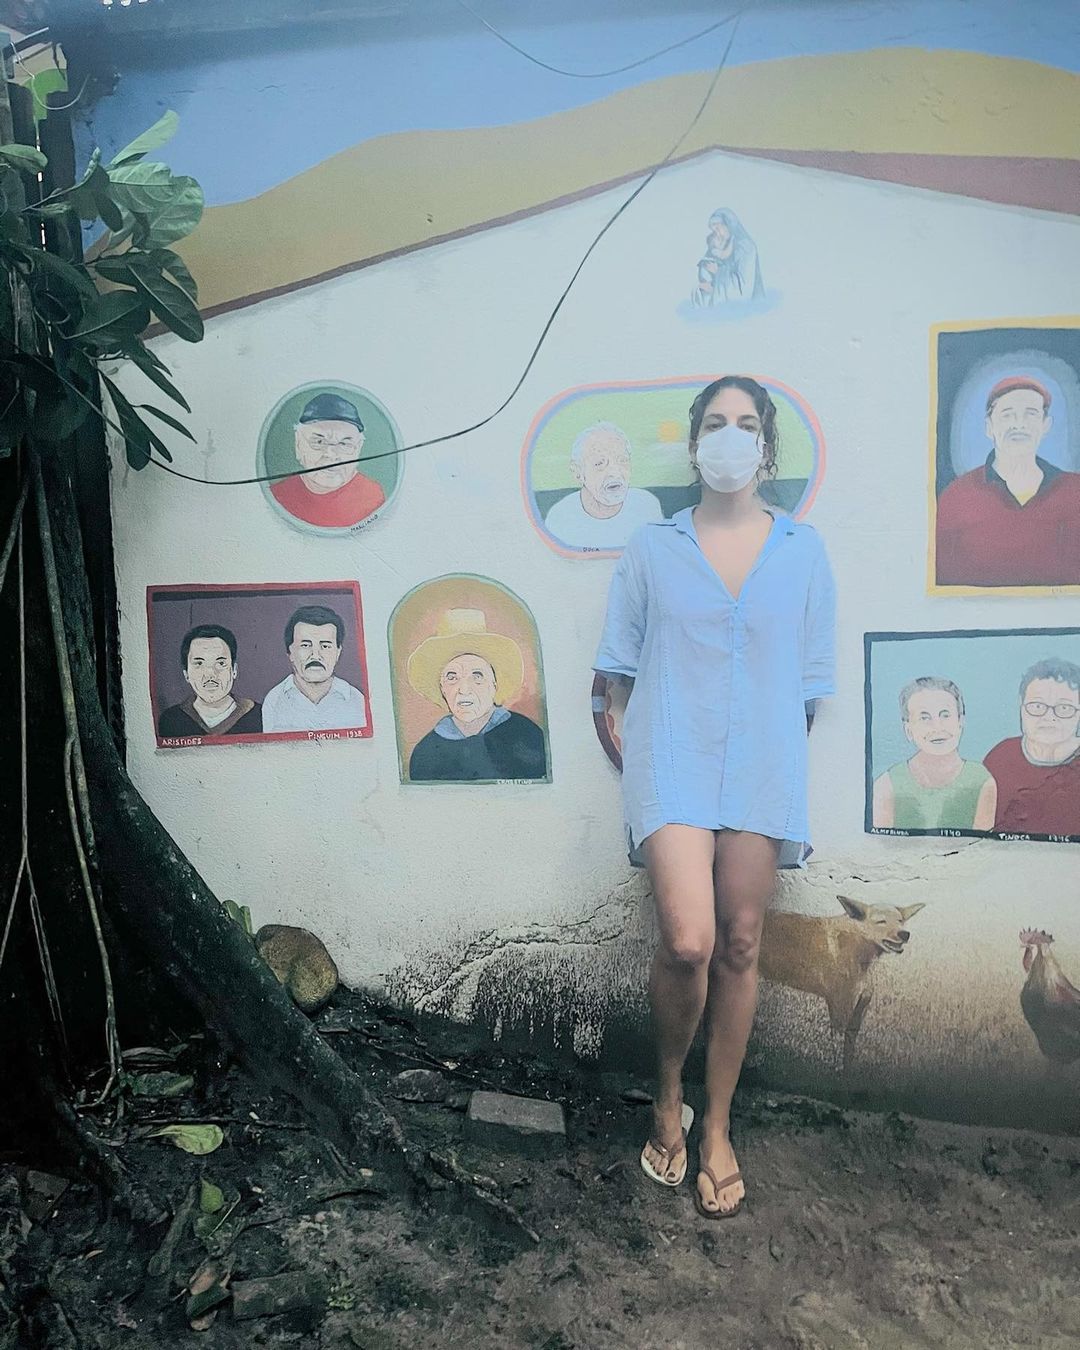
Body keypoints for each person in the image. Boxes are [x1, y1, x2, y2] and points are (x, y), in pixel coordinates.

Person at [595, 374, 835, 1219]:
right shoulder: (652, 547)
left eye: (745, 423)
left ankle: (718, 1126)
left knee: (739, 942)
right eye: (715, 422)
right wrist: (633, 746)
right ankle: (668, 1095)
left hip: (763, 763)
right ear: (695, 443)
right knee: (689, 939)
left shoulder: (804, 550)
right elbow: (616, 674)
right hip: (671, 760)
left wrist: (771, 754)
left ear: (765, 447)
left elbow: (808, 686)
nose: (729, 435)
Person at [936, 376, 1080, 586]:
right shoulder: (956, 497)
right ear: (989, 427)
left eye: (1030, 414)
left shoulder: (1075, 493)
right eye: (1007, 414)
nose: (1019, 424)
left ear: (1046, 425)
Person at [406, 608, 548, 782]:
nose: (464, 689)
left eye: (477, 676)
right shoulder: (425, 754)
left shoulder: (527, 736)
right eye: (452, 677)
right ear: (442, 688)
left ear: (494, 684)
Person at [872, 676, 996, 831]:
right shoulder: (887, 785)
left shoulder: (981, 781)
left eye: (945, 715)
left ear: (960, 721)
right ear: (908, 730)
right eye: (924, 718)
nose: (937, 727)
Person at [984, 658, 1080, 837]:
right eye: (1037, 706)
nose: (1049, 717)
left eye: (1064, 708)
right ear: (1021, 706)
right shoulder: (1000, 758)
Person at [269, 392, 386, 529]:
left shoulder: (372, 497)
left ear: (358, 449)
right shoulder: (278, 495)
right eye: (319, 441)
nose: (331, 454)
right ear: (298, 444)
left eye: (344, 444)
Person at [543, 423, 663, 548]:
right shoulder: (560, 518)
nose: (615, 473)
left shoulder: (647, 507)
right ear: (578, 472)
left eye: (622, 460)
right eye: (600, 463)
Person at [262, 604, 368, 733]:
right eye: (306, 645)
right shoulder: (274, 700)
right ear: (290, 652)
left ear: (338, 652)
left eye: (325, 646)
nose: (315, 655)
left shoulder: (357, 701)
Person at [157, 624, 262, 738]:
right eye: (199, 663)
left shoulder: (259, 715)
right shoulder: (171, 720)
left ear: (234, 670)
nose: (210, 674)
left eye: (220, 663)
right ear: (186, 674)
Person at [691, 208, 765, 307]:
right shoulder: (718, 244)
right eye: (714, 230)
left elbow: (745, 288)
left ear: (729, 226)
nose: (716, 234)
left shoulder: (746, 248)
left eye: (718, 229)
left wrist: (718, 272)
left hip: (745, 308)